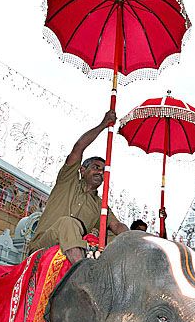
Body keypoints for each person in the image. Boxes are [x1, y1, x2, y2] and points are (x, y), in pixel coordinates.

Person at [27, 109, 129, 263]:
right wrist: (103, 125)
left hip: (75, 248)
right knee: (67, 222)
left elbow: (116, 225)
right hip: (43, 245)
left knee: (116, 240)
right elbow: (78, 147)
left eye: (104, 171)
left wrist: (134, 238)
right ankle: (82, 271)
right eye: (96, 167)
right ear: (82, 170)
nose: (100, 172)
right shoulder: (67, 181)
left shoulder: (100, 206)